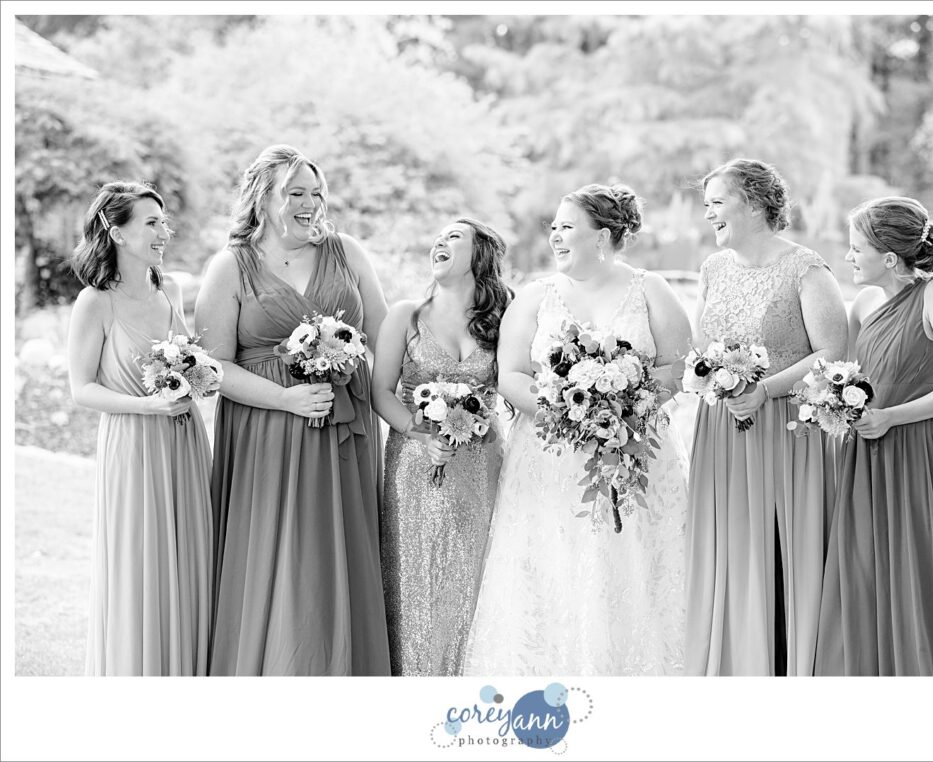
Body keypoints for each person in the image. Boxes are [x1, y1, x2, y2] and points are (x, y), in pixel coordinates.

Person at [462, 183, 691, 676]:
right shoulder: (535, 296)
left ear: (603, 235)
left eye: (567, 227)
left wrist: (629, 404)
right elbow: (512, 375)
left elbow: (677, 366)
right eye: (554, 228)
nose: (556, 237)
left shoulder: (650, 289)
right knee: (554, 564)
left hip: (634, 452)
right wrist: (568, 418)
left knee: (632, 560)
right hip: (549, 456)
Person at [194, 145, 390, 675]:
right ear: (262, 199)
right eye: (295, 193)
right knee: (279, 554)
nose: (310, 203)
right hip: (268, 431)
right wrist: (286, 397)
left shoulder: (346, 251)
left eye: (316, 192)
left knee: (336, 556)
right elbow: (212, 367)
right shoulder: (231, 267)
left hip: (343, 429)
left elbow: (385, 334)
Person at [814, 197, 933, 676]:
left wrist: (892, 417)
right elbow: (852, 375)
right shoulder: (861, 302)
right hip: (864, 451)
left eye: (856, 248)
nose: (848, 257)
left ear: (889, 257)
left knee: (918, 563)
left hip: (917, 451)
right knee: (864, 564)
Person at [683, 158, 848, 676]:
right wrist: (712, 378)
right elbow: (700, 345)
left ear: (754, 204)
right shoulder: (712, 269)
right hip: (721, 430)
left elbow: (831, 351)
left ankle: (785, 665)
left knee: (779, 551)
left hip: (785, 431)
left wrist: (765, 389)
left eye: (717, 202)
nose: (707, 213)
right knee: (728, 550)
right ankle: (734, 662)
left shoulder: (806, 268)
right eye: (706, 202)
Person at [67, 181, 212, 675]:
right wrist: (146, 406)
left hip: (184, 441)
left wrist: (200, 376)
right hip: (134, 443)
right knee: (140, 564)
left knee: (188, 558)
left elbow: (189, 358)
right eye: (151, 222)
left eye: (163, 221)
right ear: (117, 231)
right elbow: (81, 388)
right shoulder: (95, 302)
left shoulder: (169, 290)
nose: (163, 232)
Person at [371, 218, 511, 676]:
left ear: (479, 256)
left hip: (480, 464)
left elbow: (511, 385)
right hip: (414, 465)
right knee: (413, 579)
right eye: (438, 237)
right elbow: (381, 392)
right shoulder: (406, 315)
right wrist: (422, 435)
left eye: (454, 236)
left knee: (472, 580)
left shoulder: (501, 321)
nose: (440, 241)